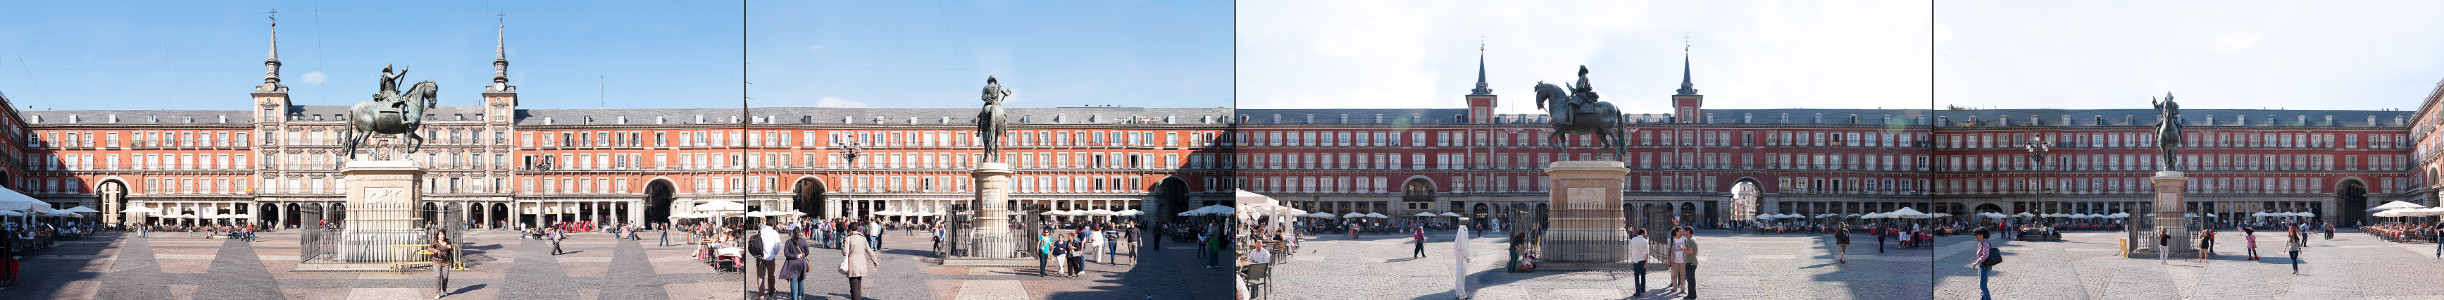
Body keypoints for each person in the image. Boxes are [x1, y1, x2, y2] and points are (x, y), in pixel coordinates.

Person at [840, 226, 881, 300]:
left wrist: (842, 249)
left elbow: (845, 252)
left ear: (850, 230)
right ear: (857, 229)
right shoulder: (863, 238)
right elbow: (869, 251)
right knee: (858, 285)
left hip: (852, 263)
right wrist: (875, 262)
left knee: (854, 286)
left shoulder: (848, 238)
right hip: (861, 263)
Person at [780, 230, 810, 300]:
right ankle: (800, 296)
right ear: (800, 233)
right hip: (801, 263)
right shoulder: (803, 241)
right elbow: (807, 252)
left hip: (791, 264)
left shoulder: (788, 242)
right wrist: (802, 255)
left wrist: (795, 256)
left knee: (793, 282)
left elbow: (786, 254)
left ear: (793, 233)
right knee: (801, 280)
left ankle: (794, 298)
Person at [426, 230, 455, 299]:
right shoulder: (435, 242)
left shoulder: (448, 241)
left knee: (445, 277)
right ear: (438, 235)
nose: (443, 236)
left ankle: (444, 289)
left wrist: (450, 248)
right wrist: (436, 251)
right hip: (436, 262)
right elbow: (429, 248)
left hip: (446, 262)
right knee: (437, 276)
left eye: (443, 234)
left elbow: (451, 250)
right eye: (441, 234)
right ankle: (438, 293)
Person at [1970, 228, 1994, 300]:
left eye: (1977, 236)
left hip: (1984, 266)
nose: (1976, 237)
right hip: (1982, 266)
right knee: (1982, 286)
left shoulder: (1985, 243)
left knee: (1983, 286)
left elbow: (1985, 255)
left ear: (1982, 235)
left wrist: (1977, 262)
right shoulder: (1981, 243)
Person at [1626, 228, 1650, 297]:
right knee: (1643, 275)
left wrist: (1632, 258)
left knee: (1636, 276)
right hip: (1642, 260)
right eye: (1645, 233)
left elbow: (1630, 250)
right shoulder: (1645, 241)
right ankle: (1642, 289)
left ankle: (1637, 291)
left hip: (1635, 260)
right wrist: (1646, 262)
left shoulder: (1633, 239)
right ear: (1642, 234)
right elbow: (1646, 253)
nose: (1646, 234)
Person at [1678, 227, 1699, 300]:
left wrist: (1681, 249)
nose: (1684, 233)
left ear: (1688, 231)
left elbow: (1690, 252)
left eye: (1685, 231)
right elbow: (1690, 250)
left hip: (1690, 262)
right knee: (1691, 280)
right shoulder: (1692, 239)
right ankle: (1692, 294)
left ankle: (1691, 296)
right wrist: (1683, 248)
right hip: (1692, 261)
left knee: (1690, 280)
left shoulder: (1690, 240)